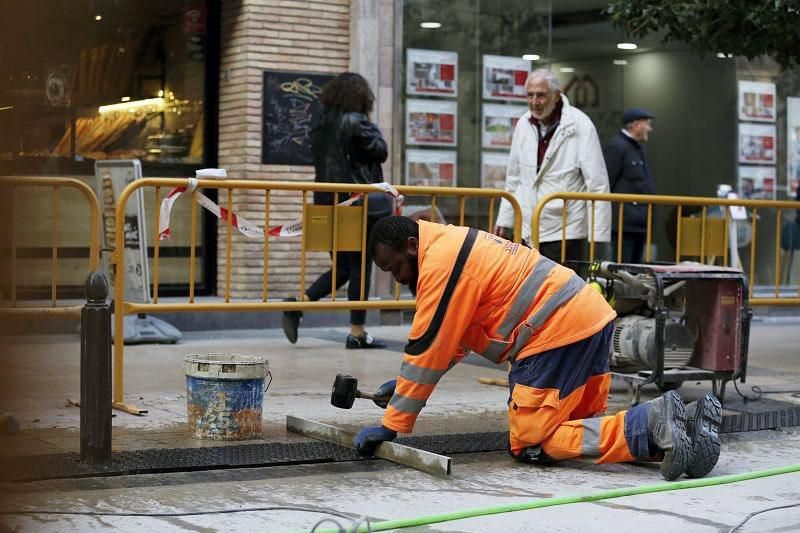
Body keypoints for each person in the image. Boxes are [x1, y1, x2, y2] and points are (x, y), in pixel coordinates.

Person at [353, 216, 723, 481]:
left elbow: (428, 346)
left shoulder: (440, 263)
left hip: (553, 335)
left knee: (531, 443)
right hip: (587, 319)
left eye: (395, 266)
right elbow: (452, 337)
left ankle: (652, 421)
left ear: (412, 246)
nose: (397, 278)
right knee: (581, 430)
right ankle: (679, 433)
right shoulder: (451, 243)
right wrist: (401, 388)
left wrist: (393, 423)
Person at [282, 72, 389, 349]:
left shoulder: (320, 127)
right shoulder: (356, 122)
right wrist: (374, 128)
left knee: (343, 267)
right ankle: (357, 332)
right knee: (359, 268)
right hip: (357, 203)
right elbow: (380, 151)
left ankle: (299, 304)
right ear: (360, 96)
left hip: (328, 202)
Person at [493, 69, 611, 264]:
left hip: (565, 229)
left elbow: (597, 184)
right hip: (528, 226)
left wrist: (598, 237)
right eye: (530, 95)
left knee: (558, 291)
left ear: (556, 95)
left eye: (541, 95)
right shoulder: (524, 123)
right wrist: (504, 220)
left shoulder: (580, 124)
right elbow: (514, 177)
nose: (534, 102)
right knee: (526, 289)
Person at [603, 108, 655, 263]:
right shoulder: (617, 147)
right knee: (622, 270)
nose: (650, 129)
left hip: (638, 224)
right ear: (636, 125)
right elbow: (607, 183)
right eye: (647, 124)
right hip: (623, 225)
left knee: (634, 270)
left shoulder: (636, 148)